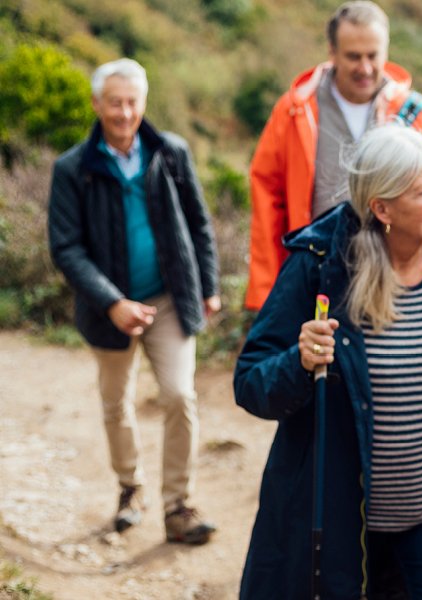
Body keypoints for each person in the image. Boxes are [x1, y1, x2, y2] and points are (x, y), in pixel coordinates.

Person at [235, 124, 422, 599]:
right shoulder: (318, 267)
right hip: (340, 516)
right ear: (382, 208)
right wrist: (298, 362)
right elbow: (250, 382)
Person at [47, 58, 219, 544]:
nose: (124, 113)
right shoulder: (72, 169)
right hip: (110, 310)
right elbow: (66, 247)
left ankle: (178, 506)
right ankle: (130, 489)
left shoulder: (171, 152)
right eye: (115, 103)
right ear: (97, 104)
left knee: (180, 396)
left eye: (132, 102)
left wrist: (206, 285)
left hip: (169, 299)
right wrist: (111, 302)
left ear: (144, 103)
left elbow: (199, 223)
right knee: (115, 403)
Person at [245, 0, 422, 311]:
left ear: (386, 51)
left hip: (396, 275)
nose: (364, 68)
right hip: (317, 270)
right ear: (332, 52)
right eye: (353, 56)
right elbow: (266, 196)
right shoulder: (295, 109)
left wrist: (404, 203)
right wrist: (265, 288)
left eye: (372, 56)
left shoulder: (414, 112)